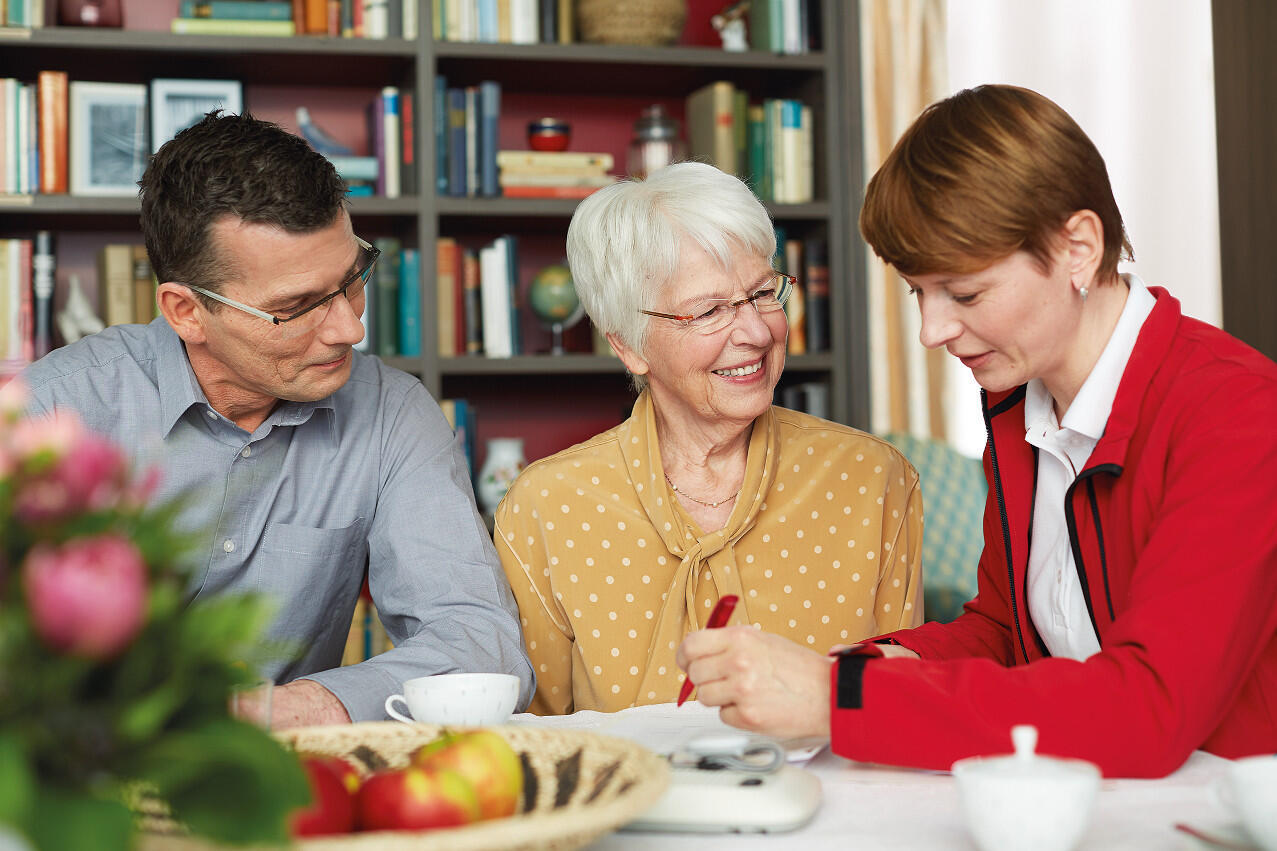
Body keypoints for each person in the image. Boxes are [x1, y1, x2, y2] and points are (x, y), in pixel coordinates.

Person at [678, 84, 1277, 778]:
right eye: (917, 293)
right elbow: (1004, 633)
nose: (933, 331)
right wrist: (856, 668)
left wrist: (835, 698)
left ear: (1077, 247)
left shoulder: (1237, 413)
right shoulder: (1022, 404)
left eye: (963, 293)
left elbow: (1148, 709)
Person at [19, 112, 534, 727]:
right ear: (186, 311)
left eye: (352, 282)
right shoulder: (46, 417)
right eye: (296, 307)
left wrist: (310, 706)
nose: (351, 328)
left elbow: (482, 642)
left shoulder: (393, 413)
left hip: (295, 786)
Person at [495, 162, 923, 715]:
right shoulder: (546, 506)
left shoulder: (872, 479)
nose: (755, 331)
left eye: (762, 293)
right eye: (709, 311)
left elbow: (896, 708)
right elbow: (539, 739)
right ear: (628, 345)